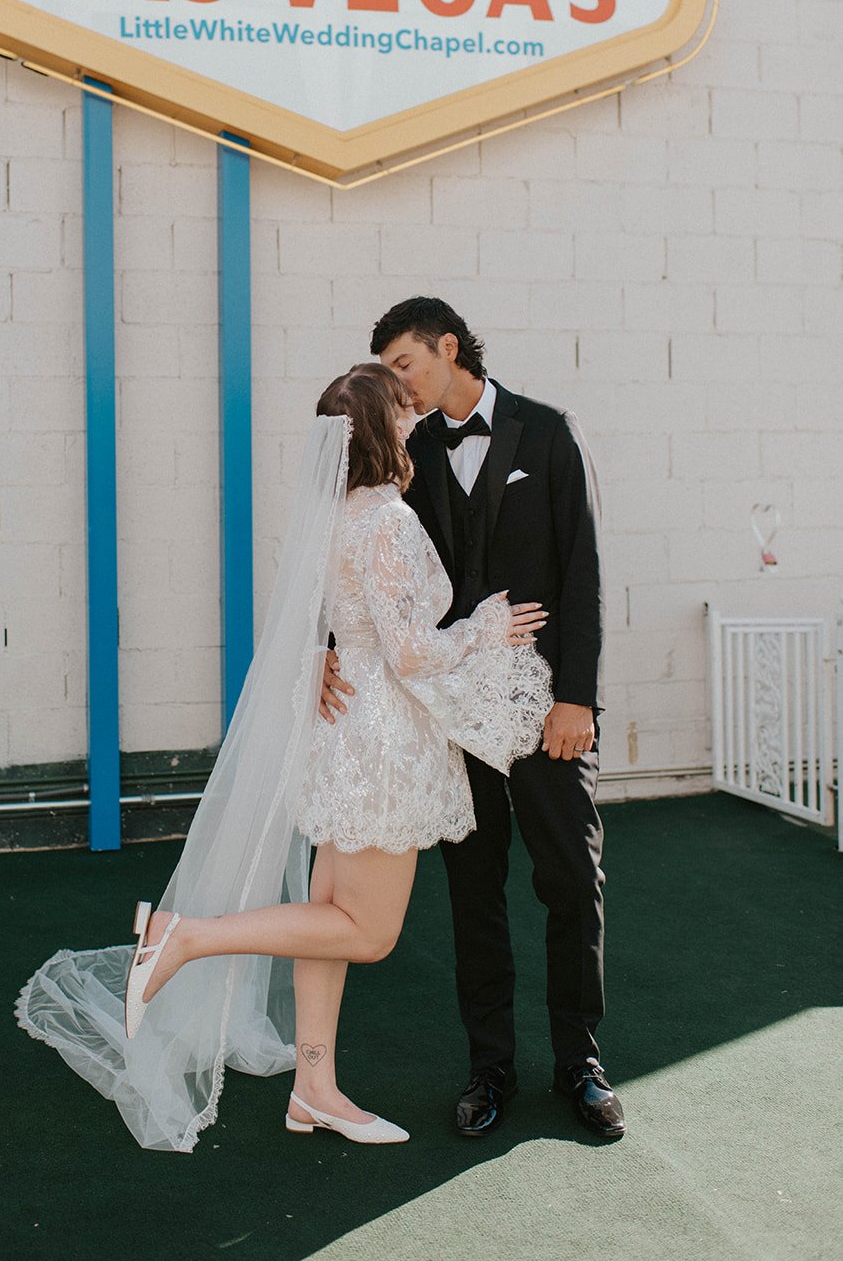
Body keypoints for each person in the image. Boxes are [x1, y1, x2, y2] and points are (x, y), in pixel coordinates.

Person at [16, 364, 552, 1152]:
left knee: (325, 921)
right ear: (380, 429)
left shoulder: (332, 519)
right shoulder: (388, 522)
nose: (414, 426)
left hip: (343, 732)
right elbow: (410, 652)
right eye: (404, 416)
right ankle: (186, 935)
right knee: (367, 933)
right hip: (383, 742)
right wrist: (487, 626)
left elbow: (339, 633)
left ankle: (315, 1089)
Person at [322, 299, 624, 1141]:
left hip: (544, 711)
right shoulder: (403, 453)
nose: (397, 383)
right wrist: (323, 648)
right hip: (448, 715)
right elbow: (345, 556)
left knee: (570, 882)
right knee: (473, 894)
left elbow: (584, 573)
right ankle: (489, 1068)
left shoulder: (551, 432)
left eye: (406, 364)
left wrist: (579, 700)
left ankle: (580, 1062)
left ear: (448, 348)